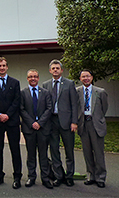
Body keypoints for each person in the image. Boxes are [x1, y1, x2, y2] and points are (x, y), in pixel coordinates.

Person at [42, 59, 78, 187]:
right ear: (50, 70)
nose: (55, 70)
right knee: (54, 150)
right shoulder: (45, 85)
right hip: (52, 122)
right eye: (53, 68)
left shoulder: (69, 84)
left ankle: (69, 176)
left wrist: (74, 121)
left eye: (58, 68)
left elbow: (74, 104)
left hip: (67, 122)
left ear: (61, 70)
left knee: (69, 150)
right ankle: (58, 176)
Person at [0, 57, 22, 189]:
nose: (2, 68)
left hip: (12, 121)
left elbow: (17, 101)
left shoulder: (15, 82)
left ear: (7, 67)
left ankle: (17, 176)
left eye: (4, 66)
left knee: (15, 149)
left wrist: (8, 114)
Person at [20, 69, 54, 189]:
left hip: (43, 128)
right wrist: (32, 123)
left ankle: (45, 178)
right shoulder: (23, 92)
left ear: (38, 78)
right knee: (31, 154)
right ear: (27, 79)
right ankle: (31, 177)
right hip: (29, 129)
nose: (33, 78)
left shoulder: (45, 92)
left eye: (35, 76)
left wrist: (39, 123)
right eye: (30, 77)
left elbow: (49, 108)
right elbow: (22, 109)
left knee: (43, 154)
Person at [77, 69, 108, 188]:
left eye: (88, 76)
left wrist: (98, 118)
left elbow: (104, 108)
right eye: (83, 77)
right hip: (83, 124)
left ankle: (100, 177)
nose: (86, 78)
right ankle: (91, 175)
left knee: (98, 152)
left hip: (96, 125)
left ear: (92, 77)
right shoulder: (77, 91)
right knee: (87, 152)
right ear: (80, 79)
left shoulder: (100, 92)